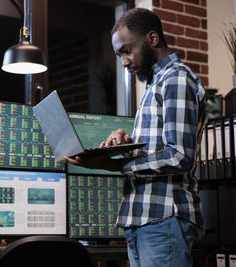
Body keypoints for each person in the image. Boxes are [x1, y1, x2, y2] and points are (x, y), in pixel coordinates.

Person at [65, 8, 205, 267]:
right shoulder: (154, 85)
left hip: (163, 219)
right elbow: (159, 149)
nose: (124, 62)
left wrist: (117, 164)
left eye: (128, 51)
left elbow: (179, 156)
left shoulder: (176, 78)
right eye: (120, 55)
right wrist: (127, 147)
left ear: (152, 39)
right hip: (143, 219)